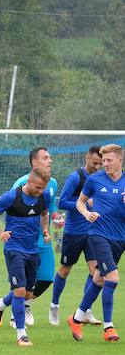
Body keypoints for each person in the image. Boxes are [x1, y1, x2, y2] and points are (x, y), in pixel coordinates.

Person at [0, 167, 52, 347]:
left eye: (43, 188)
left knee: (28, 293)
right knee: (20, 291)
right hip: (14, 249)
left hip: (33, 249)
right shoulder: (11, 197)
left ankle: (0, 305)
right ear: (28, 181)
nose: (40, 192)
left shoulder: (43, 196)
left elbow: (44, 214)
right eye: (37, 188)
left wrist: (45, 231)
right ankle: (21, 334)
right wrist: (0, 232)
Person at [67, 144, 125, 343]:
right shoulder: (94, 180)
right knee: (113, 277)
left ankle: (76, 318)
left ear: (120, 160)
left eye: (109, 161)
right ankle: (108, 327)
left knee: (100, 278)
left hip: (120, 238)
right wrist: (86, 213)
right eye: (103, 161)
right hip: (98, 235)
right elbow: (79, 202)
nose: (105, 164)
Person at [4, 147, 58, 326]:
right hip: (21, 241)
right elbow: (14, 207)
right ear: (35, 163)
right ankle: (17, 313)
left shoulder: (53, 183)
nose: (50, 160)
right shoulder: (22, 182)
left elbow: (49, 210)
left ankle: (4, 303)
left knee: (47, 278)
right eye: (45, 157)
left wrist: (55, 220)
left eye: (50, 157)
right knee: (22, 283)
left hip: (43, 238)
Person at [51, 146, 103, 326]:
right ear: (86, 160)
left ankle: (86, 310)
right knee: (65, 270)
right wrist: (84, 204)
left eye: (100, 163)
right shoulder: (76, 178)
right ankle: (54, 305)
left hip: (93, 232)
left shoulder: (100, 179)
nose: (97, 167)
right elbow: (62, 202)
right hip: (74, 232)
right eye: (95, 163)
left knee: (95, 271)